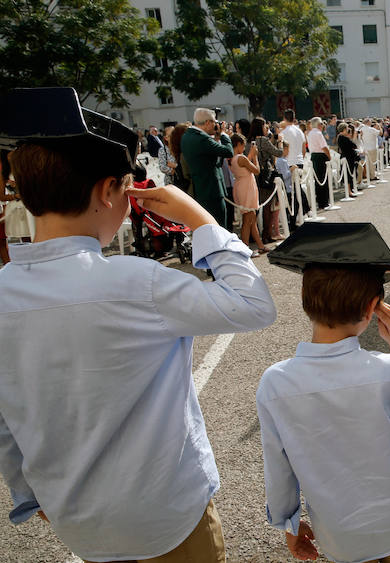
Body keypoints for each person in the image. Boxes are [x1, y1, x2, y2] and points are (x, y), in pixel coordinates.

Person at [0, 87, 276, 563]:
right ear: (108, 191)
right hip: (166, 515)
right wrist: (198, 217)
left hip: (78, 521)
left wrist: (30, 493)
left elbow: (5, 424)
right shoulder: (135, 282)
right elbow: (253, 304)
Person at [258, 222, 390, 563]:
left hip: (339, 533)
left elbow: (278, 466)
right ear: (371, 309)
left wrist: (288, 522)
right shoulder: (388, 369)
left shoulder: (275, 383)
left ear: (306, 301)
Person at [180, 108, 234, 229]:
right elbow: (228, 151)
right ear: (208, 123)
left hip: (201, 189)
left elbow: (211, 158)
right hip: (212, 190)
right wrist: (224, 135)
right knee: (219, 227)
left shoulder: (187, 137)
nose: (216, 126)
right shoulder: (201, 139)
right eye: (214, 123)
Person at [248, 116, 286, 242]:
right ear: (260, 127)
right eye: (265, 126)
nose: (267, 128)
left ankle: (254, 235)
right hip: (265, 176)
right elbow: (279, 153)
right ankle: (266, 235)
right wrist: (280, 142)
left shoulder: (250, 141)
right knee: (267, 206)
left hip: (254, 176)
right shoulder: (263, 140)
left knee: (256, 207)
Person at [228, 133, 267, 255]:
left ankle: (260, 245)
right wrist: (255, 156)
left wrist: (250, 155)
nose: (244, 148)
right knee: (247, 219)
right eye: (243, 146)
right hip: (246, 188)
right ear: (239, 145)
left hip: (242, 186)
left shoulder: (233, 158)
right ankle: (245, 249)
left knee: (252, 218)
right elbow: (257, 170)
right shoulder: (241, 158)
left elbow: (245, 166)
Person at [307, 116, 332, 211]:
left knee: (318, 180)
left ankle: (321, 201)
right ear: (318, 124)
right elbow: (324, 147)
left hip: (314, 156)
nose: (323, 125)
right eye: (321, 123)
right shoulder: (318, 133)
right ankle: (324, 202)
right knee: (323, 180)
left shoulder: (309, 133)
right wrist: (329, 156)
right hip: (320, 156)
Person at [336, 122, 362, 195]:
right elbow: (353, 145)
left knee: (351, 174)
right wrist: (349, 136)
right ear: (344, 129)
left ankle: (351, 189)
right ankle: (349, 191)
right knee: (348, 174)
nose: (348, 130)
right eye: (347, 129)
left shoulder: (342, 137)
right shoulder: (342, 137)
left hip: (349, 157)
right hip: (347, 158)